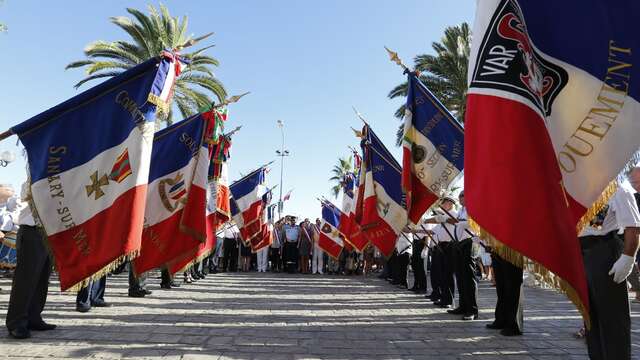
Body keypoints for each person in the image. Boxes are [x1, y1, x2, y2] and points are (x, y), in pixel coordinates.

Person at [578, 181, 640, 359]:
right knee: (591, 319)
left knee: (613, 320)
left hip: (604, 252)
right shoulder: (581, 187)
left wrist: (628, 257)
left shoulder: (617, 186)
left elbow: (634, 226)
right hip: (582, 253)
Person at [5, 181, 56, 339]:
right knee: (26, 279)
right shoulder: (37, 172)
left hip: (50, 231)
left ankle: (34, 317)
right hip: (32, 230)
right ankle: (16, 321)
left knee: (42, 278)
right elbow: (25, 194)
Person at [448, 192, 479, 321]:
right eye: (460, 196)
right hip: (458, 244)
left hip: (469, 242)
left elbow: (474, 223)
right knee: (460, 276)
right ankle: (462, 305)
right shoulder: (461, 210)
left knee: (468, 277)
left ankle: (472, 310)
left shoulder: (473, 208)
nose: (461, 198)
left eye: (463, 196)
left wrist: (459, 222)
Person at [424, 196, 458, 308]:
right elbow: (435, 222)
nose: (442, 204)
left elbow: (454, 222)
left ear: (450, 203)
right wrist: (424, 221)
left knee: (448, 274)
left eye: (444, 202)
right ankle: (444, 298)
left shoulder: (454, 213)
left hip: (450, 245)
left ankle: (449, 300)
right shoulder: (444, 215)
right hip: (441, 246)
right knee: (442, 274)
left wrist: (442, 219)